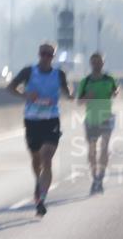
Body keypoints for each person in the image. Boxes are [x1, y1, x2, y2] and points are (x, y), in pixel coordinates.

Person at [6, 42, 73, 216]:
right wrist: (25, 95)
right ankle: (38, 181)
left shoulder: (59, 74)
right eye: (43, 53)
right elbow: (10, 87)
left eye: (49, 54)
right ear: (38, 54)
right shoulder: (29, 71)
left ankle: (42, 199)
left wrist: (72, 94)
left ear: (53, 57)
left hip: (51, 120)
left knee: (47, 157)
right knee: (36, 158)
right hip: (32, 120)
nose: (45, 57)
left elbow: (67, 93)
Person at [77, 52, 120, 194]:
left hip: (106, 117)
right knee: (92, 151)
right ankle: (95, 177)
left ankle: (100, 178)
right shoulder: (86, 81)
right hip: (91, 120)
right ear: (91, 63)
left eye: (99, 62)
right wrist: (87, 98)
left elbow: (116, 90)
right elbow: (79, 102)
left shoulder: (110, 79)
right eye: (94, 62)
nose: (97, 64)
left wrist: (115, 93)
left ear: (103, 63)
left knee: (104, 148)